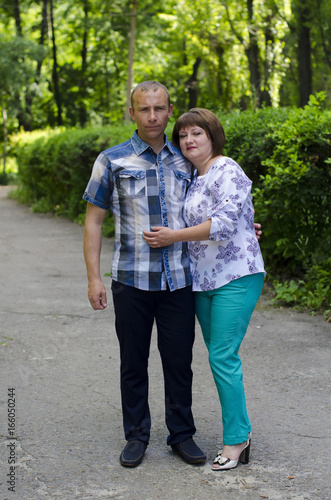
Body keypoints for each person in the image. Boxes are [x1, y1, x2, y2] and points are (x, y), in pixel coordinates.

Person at [82, 81, 206, 468]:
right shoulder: (112, 160)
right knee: (133, 362)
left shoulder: (189, 159)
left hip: (179, 281)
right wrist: (93, 278)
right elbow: (93, 222)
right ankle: (136, 436)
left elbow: (215, 210)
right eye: (144, 109)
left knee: (179, 362)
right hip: (131, 281)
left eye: (159, 109)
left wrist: (244, 229)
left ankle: (181, 435)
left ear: (170, 110)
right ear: (131, 113)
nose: (152, 116)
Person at [143, 108, 266, 471]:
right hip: (203, 281)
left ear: (212, 136)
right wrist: (250, 223)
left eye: (197, 133)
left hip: (236, 276)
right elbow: (232, 216)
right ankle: (239, 432)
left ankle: (237, 441)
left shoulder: (226, 168)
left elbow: (225, 224)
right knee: (220, 358)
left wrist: (173, 237)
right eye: (182, 136)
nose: (189, 140)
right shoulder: (195, 177)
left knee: (222, 357)